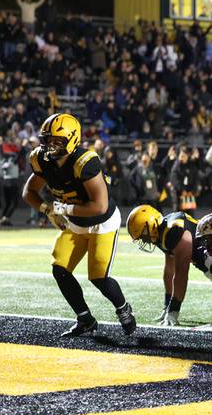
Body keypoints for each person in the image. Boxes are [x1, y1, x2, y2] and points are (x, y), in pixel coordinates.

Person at [22, 113, 135, 338]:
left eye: (57, 141)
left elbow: (99, 206)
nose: (50, 147)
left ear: (72, 139)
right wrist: (47, 211)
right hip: (75, 224)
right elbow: (29, 192)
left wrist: (62, 209)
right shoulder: (42, 160)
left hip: (101, 224)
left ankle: (123, 309)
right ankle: (85, 319)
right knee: (60, 269)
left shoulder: (85, 162)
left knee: (99, 277)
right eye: (47, 140)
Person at [126, 205, 199, 326]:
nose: (144, 240)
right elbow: (169, 272)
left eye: (143, 234)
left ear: (152, 224)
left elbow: (181, 275)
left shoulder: (173, 230)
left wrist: (174, 310)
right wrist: (167, 306)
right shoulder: (161, 232)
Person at [0, 152, 20, 225]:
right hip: (12, 183)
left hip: (4, 183)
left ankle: (1, 218)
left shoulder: (3, 162)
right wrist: (23, 146)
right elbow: (18, 157)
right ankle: (5, 218)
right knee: (14, 203)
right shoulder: (12, 161)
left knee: (7, 203)